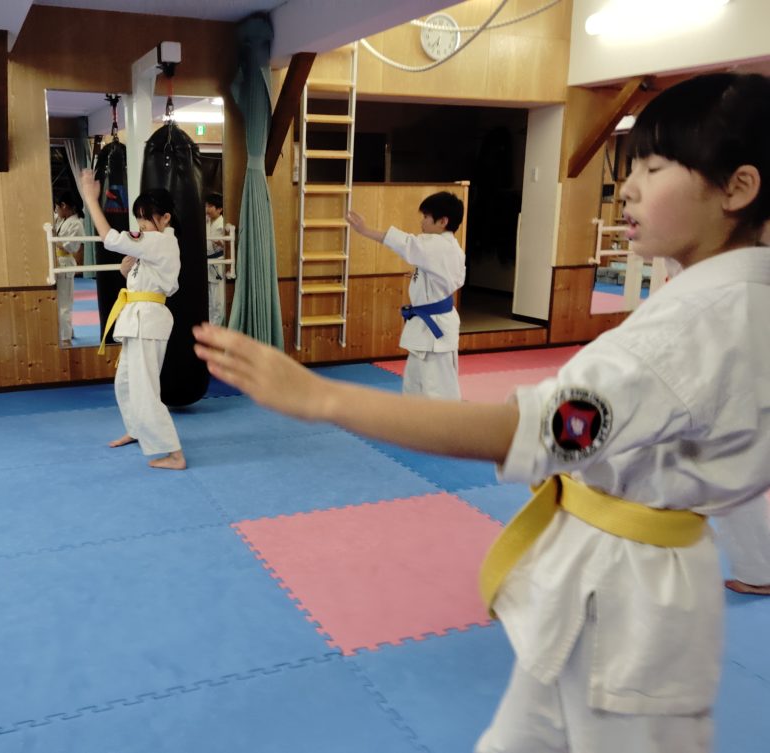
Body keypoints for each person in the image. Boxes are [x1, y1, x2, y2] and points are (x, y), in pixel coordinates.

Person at [194, 72, 770, 752]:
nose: (629, 188)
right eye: (632, 166)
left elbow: (537, 429)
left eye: (654, 167)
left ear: (737, 187)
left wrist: (323, 397)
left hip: (633, 602)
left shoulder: (695, 325)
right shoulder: (730, 302)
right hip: (614, 574)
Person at [79, 168, 186, 471]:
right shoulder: (156, 245)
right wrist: (127, 271)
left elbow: (110, 238)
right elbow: (147, 280)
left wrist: (91, 199)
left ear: (165, 218)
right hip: (139, 319)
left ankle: (174, 453)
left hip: (147, 322)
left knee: (144, 390)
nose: (141, 225)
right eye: (138, 218)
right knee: (125, 383)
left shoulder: (160, 241)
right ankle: (137, 430)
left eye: (146, 218)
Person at [347, 191, 466, 399]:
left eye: (426, 217)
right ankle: (417, 419)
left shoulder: (438, 245)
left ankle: (445, 421)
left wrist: (366, 231)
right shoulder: (449, 247)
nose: (422, 222)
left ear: (443, 221)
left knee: (437, 393)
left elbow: (406, 243)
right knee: (415, 387)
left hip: (434, 334)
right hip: (429, 330)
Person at [52, 192, 84, 346]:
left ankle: (66, 339)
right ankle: (68, 331)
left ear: (64, 206)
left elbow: (69, 246)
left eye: (57, 207)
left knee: (64, 303)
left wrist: (53, 239)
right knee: (60, 301)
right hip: (57, 262)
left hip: (65, 263)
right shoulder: (62, 219)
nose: (56, 211)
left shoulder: (76, 224)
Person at [205, 192, 226, 326]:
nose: (207, 208)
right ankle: (210, 327)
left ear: (219, 209)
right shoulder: (206, 221)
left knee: (218, 302)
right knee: (209, 301)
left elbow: (228, 246)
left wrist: (221, 243)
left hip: (218, 262)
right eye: (206, 205)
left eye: (210, 206)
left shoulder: (222, 223)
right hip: (207, 262)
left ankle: (216, 328)